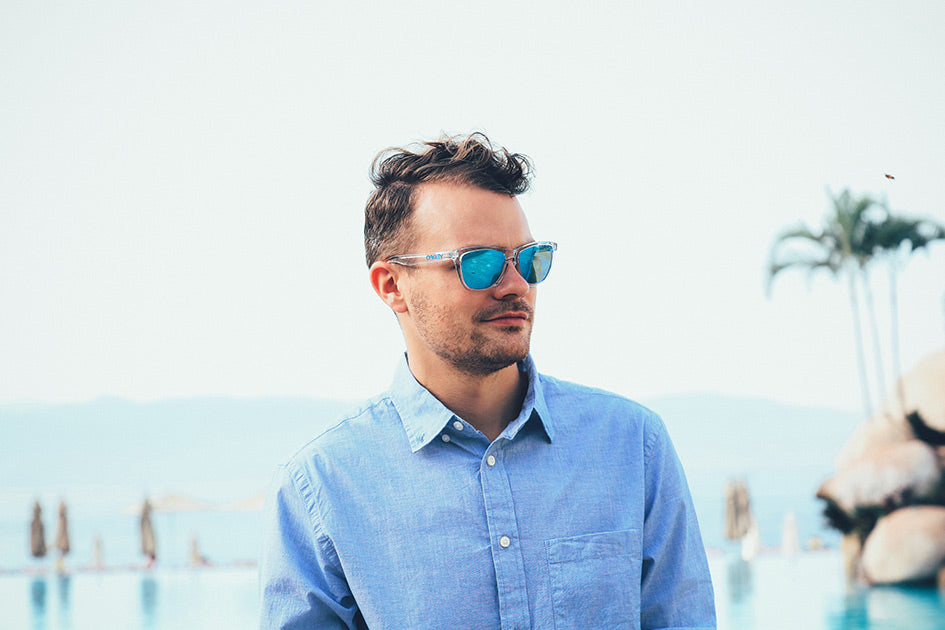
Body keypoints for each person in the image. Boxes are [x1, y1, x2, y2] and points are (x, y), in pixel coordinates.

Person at [260, 133, 716, 629]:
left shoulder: (633, 448)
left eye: (528, 259)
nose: (517, 284)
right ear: (392, 285)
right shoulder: (322, 485)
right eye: (479, 263)